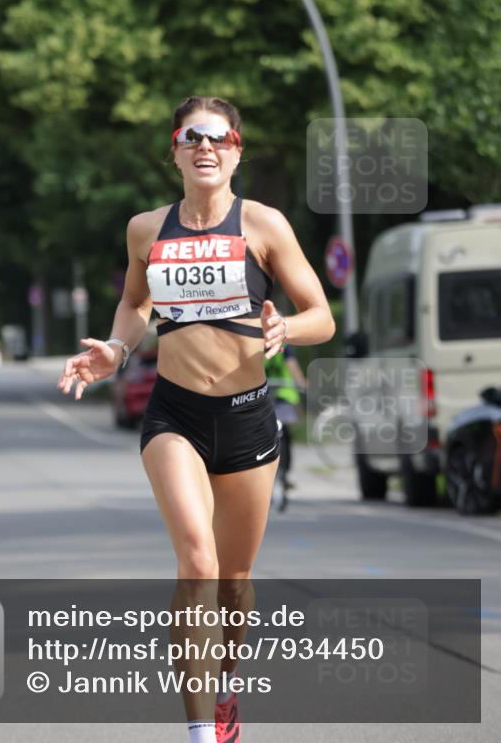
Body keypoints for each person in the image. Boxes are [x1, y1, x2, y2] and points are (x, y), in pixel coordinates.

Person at [58, 96, 335, 743]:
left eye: (219, 136)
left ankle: (226, 689)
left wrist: (285, 327)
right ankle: (197, 733)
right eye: (191, 137)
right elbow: (134, 303)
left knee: (235, 581)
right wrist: (117, 349)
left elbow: (320, 314)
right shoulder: (145, 229)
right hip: (174, 414)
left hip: (246, 415)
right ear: (174, 151)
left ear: (236, 150)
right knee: (198, 564)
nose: (205, 147)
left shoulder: (264, 226)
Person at [265, 343, 307, 511]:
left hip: (264, 396)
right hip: (281, 396)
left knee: (269, 433)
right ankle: (285, 471)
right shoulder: (283, 344)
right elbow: (292, 367)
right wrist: (302, 384)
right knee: (285, 435)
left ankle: (281, 472)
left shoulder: (253, 339)